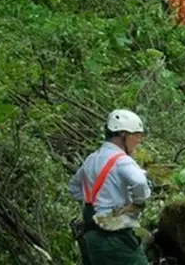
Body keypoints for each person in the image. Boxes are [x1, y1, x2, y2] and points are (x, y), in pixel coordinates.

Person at [69, 109, 150, 265]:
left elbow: (73, 188)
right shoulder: (122, 160)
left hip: (90, 238)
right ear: (122, 135)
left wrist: (96, 199)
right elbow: (139, 181)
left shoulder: (91, 159)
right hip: (114, 239)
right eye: (136, 135)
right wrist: (138, 203)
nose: (139, 140)